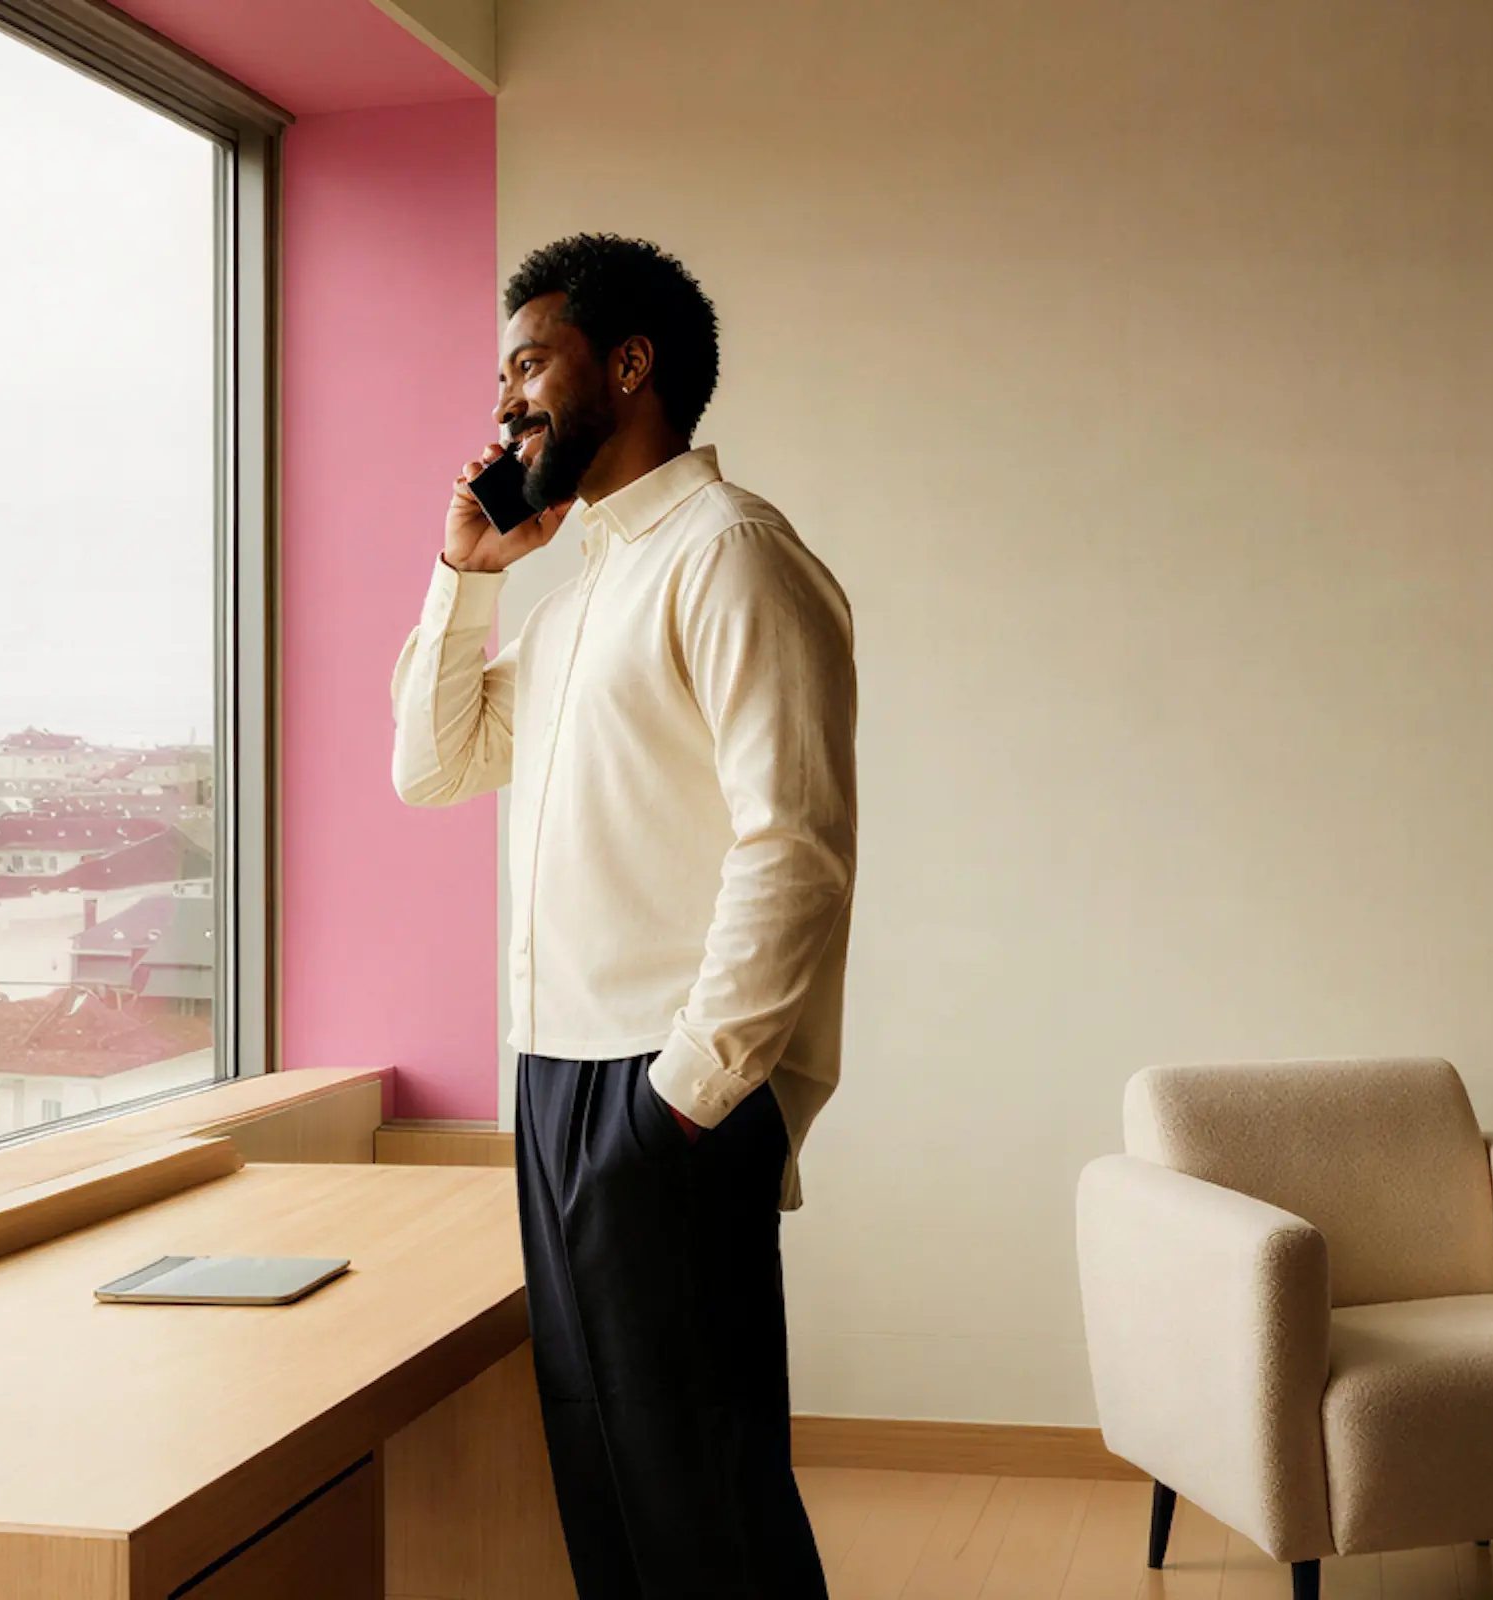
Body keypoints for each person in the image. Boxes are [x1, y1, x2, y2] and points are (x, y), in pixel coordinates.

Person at [390, 234, 856, 1599]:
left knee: (702, 1496)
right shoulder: (582, 588)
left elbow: (796, 847)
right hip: (555, 1082)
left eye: (531, 362)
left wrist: (689, 1098)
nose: (506, 403)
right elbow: (433, 767)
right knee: (608, 1485)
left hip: (661, 1091)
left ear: (630, 364)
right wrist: (469, 572)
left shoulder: (735, 556)